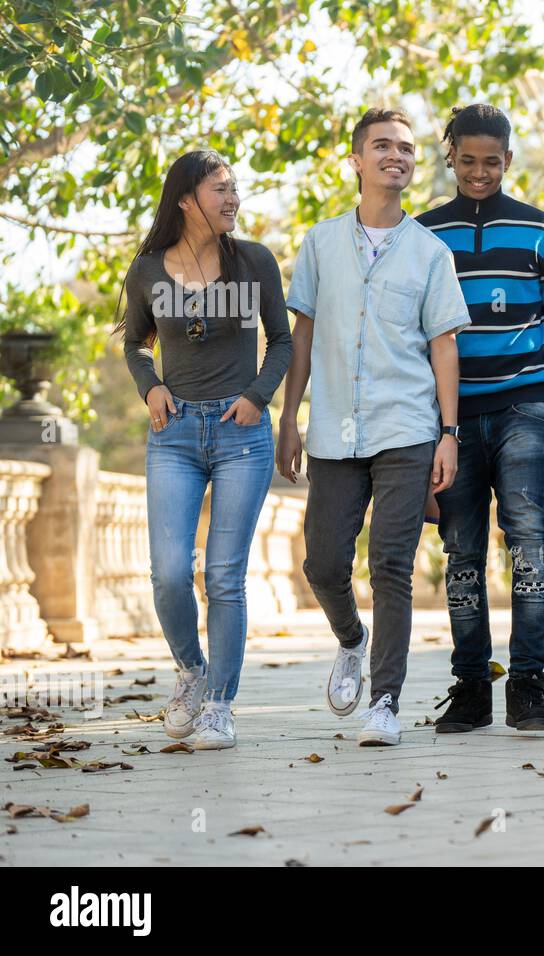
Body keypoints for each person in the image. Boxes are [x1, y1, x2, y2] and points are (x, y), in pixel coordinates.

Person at [277, 107, 470, 746]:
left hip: (408, 426)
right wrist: (290, 417)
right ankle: (350, 640)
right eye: (382, 146)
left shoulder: (430, 253)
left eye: (407, 149)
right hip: (334, 426)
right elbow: (300, 336)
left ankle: (384, 702)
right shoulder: (320, 243)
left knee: (392, 563)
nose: (397, 156)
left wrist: (449, 432)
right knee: (324, 563)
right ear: (357, 161)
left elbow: (445, 346)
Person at [415, 104, 544, 734]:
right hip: (452, 419)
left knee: (529, 543)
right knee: (460, 549)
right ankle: (470, 685)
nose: (480, 172)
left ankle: (528, 683)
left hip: (523, 408)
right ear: (450, 158)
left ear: (509, 160)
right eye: (468, 161)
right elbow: (414, 337)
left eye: (492, 161)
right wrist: (428, 427)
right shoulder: (424, 234)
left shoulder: (542, 232)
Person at [119, 149, 292, 750]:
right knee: (169, 573)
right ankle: (192, 673)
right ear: (186, 198)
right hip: (175, 436)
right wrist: (151, 387)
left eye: (235, 188)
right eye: (221, 188)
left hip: (242, 435)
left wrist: (257, 396)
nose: (233, 198)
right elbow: (135, 346)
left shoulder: (254, 263)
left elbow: (284, 344)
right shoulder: (147, 271)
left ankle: (220, 704)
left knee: (223, 574)